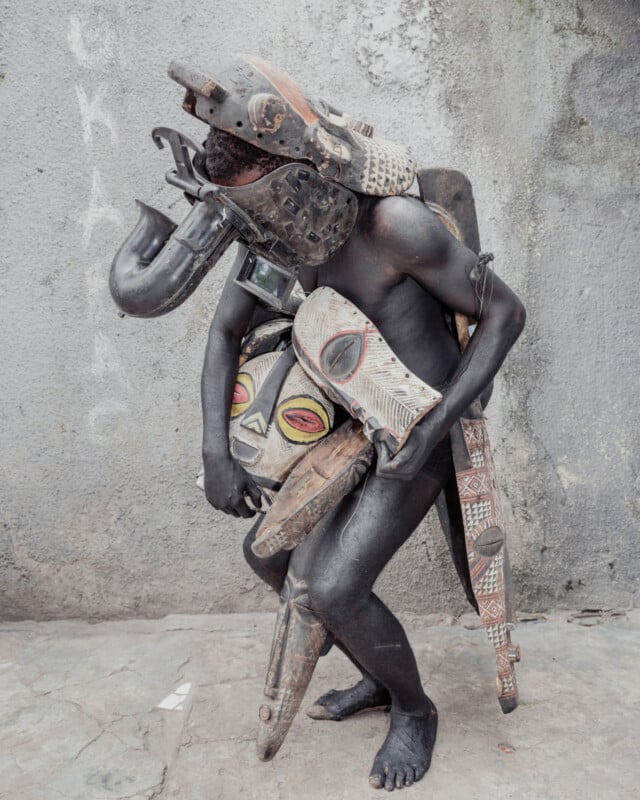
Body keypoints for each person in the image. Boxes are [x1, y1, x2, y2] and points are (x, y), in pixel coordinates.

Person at [200, 123, 526, 791]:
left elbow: (506, 315)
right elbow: (226, 330)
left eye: (260, 202)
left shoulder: (392, 225)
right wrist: (214, 450)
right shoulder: (274, 238)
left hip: (419, 431)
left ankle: (415, 709)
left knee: (330, 587)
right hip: (346, 425)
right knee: (268, 557)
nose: (254, 220)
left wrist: (436, 428)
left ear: (294, 179)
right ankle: (381, 679)